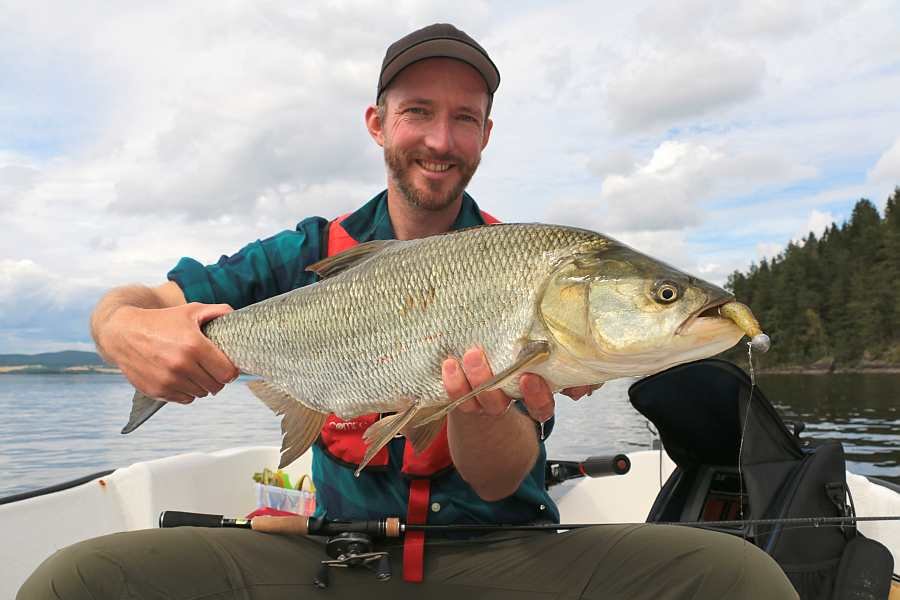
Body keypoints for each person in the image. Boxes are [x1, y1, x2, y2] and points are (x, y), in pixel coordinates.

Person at [18, 23, 798, 600]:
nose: (439, 138)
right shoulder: (301, 255)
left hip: (501, 557)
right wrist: (122, 329)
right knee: (77, 579)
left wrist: (476, 406)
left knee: (745, 580)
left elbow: (498, 482)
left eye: (464, 119)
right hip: (331, 557)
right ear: (378, 122)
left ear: (486, 135)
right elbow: (139, 302)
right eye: (419, 111)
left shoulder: (521, 263)